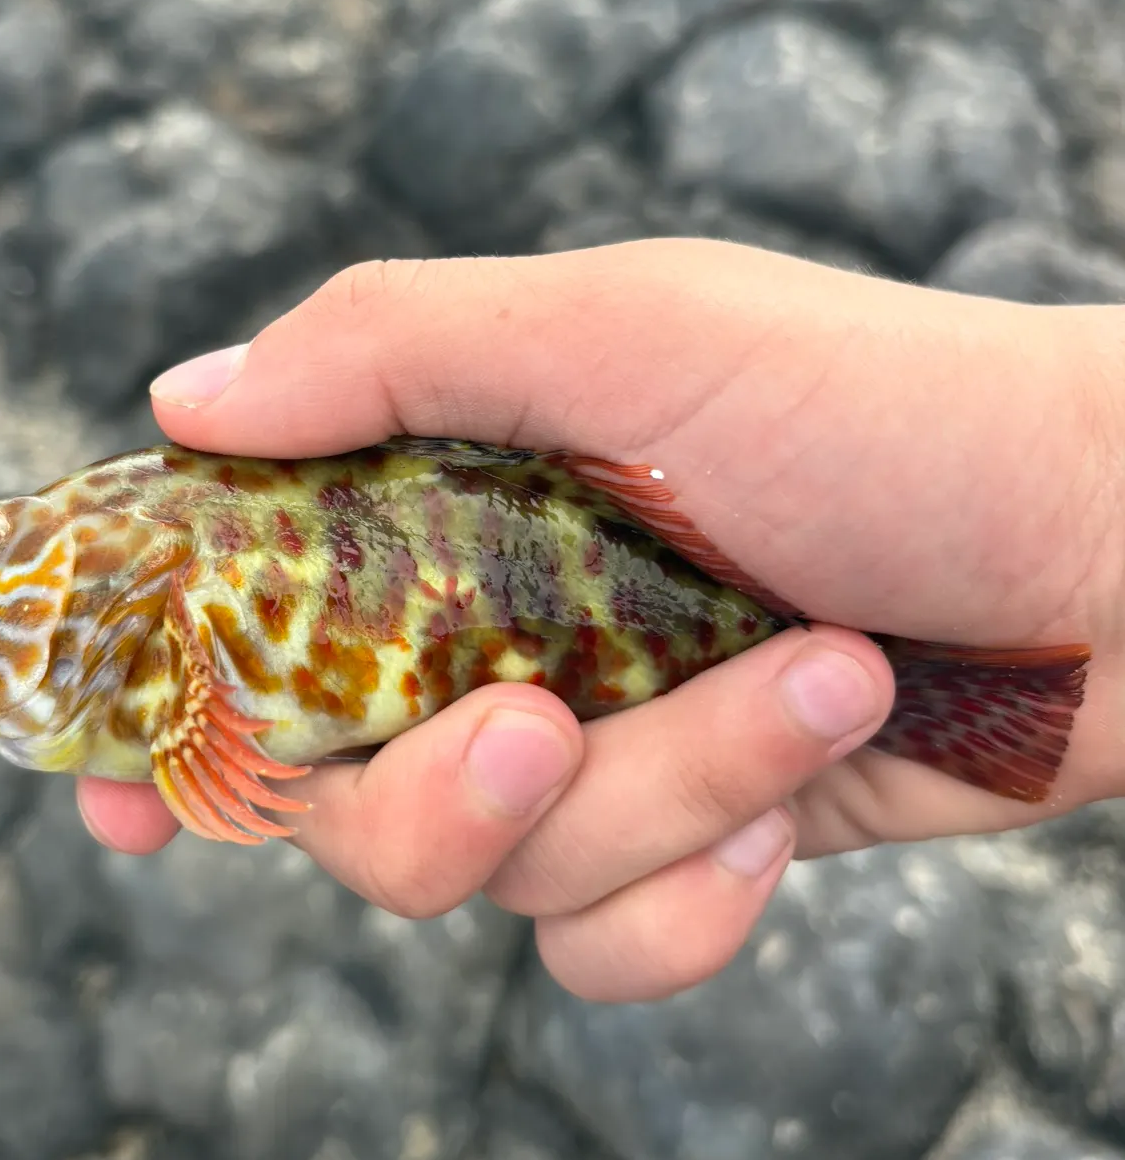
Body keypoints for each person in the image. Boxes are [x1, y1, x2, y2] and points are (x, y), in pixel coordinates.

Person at [73, 238, 1124, 1003]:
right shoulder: (138, 608)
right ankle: (964, 706)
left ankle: (956, 703)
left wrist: (1090, 480)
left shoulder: (143, 555)